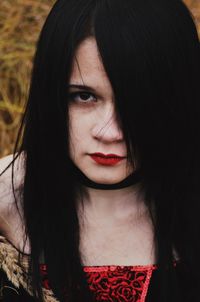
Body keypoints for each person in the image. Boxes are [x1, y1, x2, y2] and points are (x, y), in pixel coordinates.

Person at [0, 0, 200, 301]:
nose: (110, 133)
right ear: (50, 94)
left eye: (138, 102)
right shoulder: (5, 205)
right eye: (84, 96)